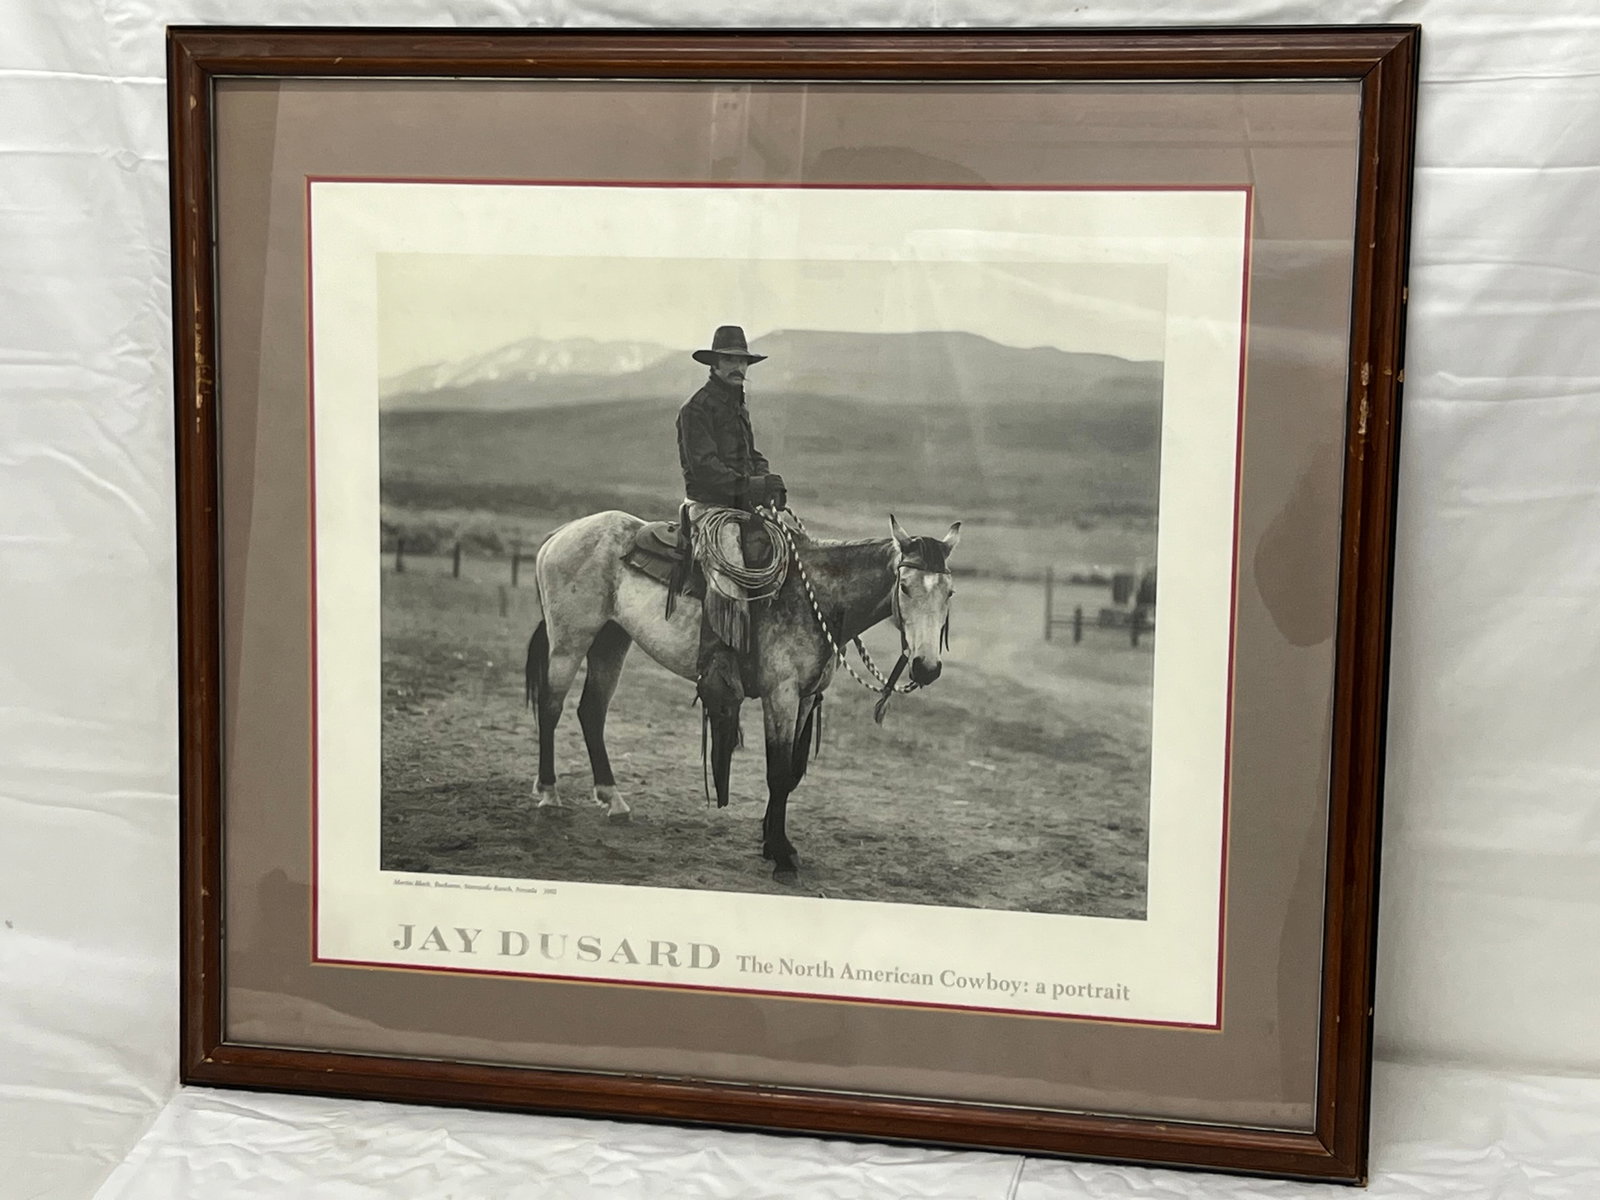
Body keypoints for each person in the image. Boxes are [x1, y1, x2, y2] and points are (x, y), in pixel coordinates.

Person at [676, 326, 786, 754]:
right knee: (731, 570)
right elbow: (704, 471)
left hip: (739, 503)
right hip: (709, 507)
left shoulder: (738, 406)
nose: (738, 367)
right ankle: (717, 667)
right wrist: (752, 487)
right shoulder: (696, 410)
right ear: (714, 365)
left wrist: (767, 478)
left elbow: (750, 456)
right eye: (730, 360)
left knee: (786, 546)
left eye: (743, 361)